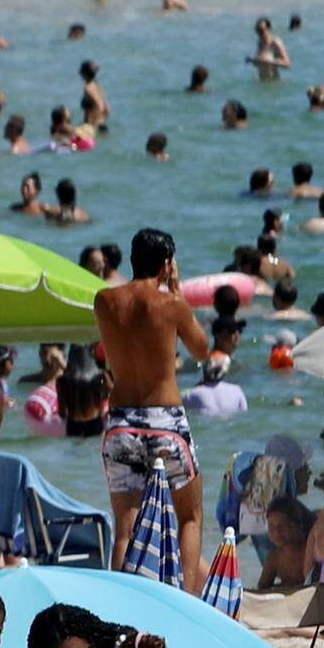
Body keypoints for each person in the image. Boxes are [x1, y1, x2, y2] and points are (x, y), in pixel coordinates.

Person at [91, 229, 198, 584]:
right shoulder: (172, 304)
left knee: (126, 527)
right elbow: (202, 349)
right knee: (189, 517)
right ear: (168, 264)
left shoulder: (104, 301)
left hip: (121, 421)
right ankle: (184, 604)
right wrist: (177, 290)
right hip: (165, 421)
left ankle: (122, 608)